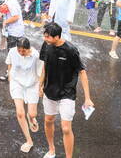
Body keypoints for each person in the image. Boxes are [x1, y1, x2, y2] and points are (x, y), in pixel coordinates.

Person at [39, 22, 93, 158]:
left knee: (66, 127)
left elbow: (82, 72)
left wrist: (87, 98)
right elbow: (44, 67)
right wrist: (39, 86)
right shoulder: (46, 45)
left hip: (67, 93)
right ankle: (51, 150)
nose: (45, 39)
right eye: (44, 36)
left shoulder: (70, 50)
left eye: (48, 37)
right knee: (48, 120)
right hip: (50, 91)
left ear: (57, 37)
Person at [6, 37, 43, 154]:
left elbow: (42, 72)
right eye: (19, 50)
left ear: (29, 49)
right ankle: (29, 141)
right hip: (17, 83)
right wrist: (10, 77)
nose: (21, 53)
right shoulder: (12, 51)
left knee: (32, 113)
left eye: (24, 51)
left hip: (32, 84)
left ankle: (31, 117)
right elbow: (9, 64)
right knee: (20, 112)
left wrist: (41, 86)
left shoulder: (36, 55)